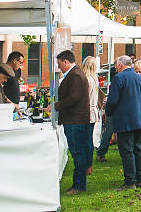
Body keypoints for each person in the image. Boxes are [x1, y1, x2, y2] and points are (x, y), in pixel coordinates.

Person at [53, 50, 92, 195]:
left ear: (65, 61)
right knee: (77, 152)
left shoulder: (75, 74)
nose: (59, 67)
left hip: (75, 119)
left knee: (77, 152)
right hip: (74, 119)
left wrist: (56, 106)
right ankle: (78, 183)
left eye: (59, 64)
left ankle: (80, 185)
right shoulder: (75, 73)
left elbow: (74, 98)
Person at [106, 55, 141, 190]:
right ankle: (140, 179)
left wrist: (109, 112)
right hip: (138, 119)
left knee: (127, 151)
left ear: (120, 65)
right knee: (138, 150)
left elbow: (112, 101)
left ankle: (130, 181)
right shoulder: (140, 78)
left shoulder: (119, 78)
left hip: (124, 120)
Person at [82, 56, 104, 176]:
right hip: (92, 112)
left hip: (87, 112)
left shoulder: (86, 79)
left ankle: (86, 165)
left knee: (85, 141)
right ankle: (88, 165)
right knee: (88, 140)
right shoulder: (94, 78)